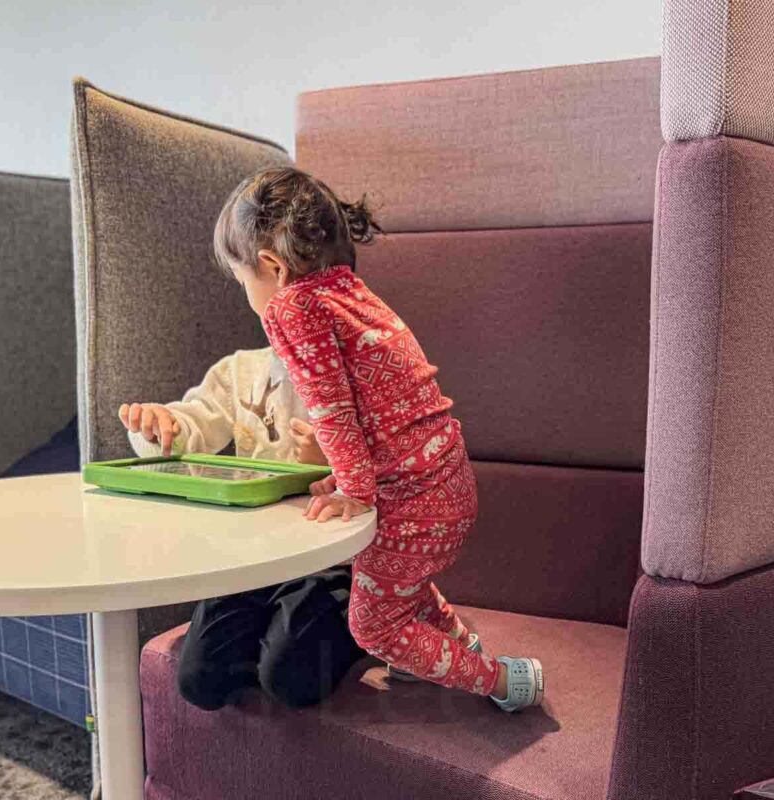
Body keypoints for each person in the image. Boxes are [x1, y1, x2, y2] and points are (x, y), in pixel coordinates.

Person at [213, 166, 544, 711]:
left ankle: (504, 681)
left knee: (373, 627)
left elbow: (333, 410)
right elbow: (379, 411)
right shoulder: (348, 291)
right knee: (399, 588)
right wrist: (348, 477)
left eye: (241, 278)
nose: (247, 292)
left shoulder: (291, 307)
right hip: (446, 486)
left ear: (271, 267)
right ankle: (458, 643)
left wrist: (355, 489)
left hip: (410, 502)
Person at [118, 349, 363, 709]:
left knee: (291, 677)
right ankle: (275, 633)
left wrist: (336, 461)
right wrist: (159, 427)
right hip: (254, 561)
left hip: (329, 561)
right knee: (199, 680)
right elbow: (190, 428)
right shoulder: (241, 371)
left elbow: (390, 470)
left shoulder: (360, 368)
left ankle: (354, 625)